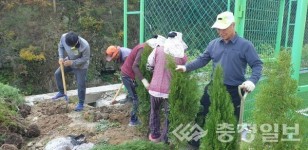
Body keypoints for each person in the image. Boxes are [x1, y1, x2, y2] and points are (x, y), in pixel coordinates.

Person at [176, 11, 263, 147]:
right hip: (213, 86)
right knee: (202, 114)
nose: (221, 32)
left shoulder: (245, 45)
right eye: (218, 29)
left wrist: (252, 80)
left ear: (233, 25)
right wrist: (186, 67)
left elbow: (257, 65)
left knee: (230, 120)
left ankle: (226, 146)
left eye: (224, 28)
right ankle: (194, 144)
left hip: (235, 90)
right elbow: (202, 60)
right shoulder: (213, 44)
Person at [147, 31, 188, 143]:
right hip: (170, 91)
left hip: (154, 89)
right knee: (168, 115)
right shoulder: (182, 55)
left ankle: (155, 136)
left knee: (154, 111)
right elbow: (184, 72)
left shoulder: (158, 49)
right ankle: (165, 139)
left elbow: (149, 65)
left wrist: (157, 72)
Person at [120, 35, 166, 126]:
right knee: (136, 98)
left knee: (136, 97)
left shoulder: (147, 48)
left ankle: (140, 116)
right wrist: (145, 82)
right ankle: (133, 120)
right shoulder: (143, 49)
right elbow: (134, 66)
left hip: (132, 76)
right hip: (128, 76)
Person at [52, 31, 90, 112]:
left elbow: (85, 58)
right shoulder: (63, 37)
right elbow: (61, 47)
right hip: (68, 60)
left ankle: (80, 103)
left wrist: (73, 63)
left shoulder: (85, 45)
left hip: (81, 65)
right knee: (57, 74)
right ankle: (62, 92)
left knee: (81, 84)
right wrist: (61, 57)